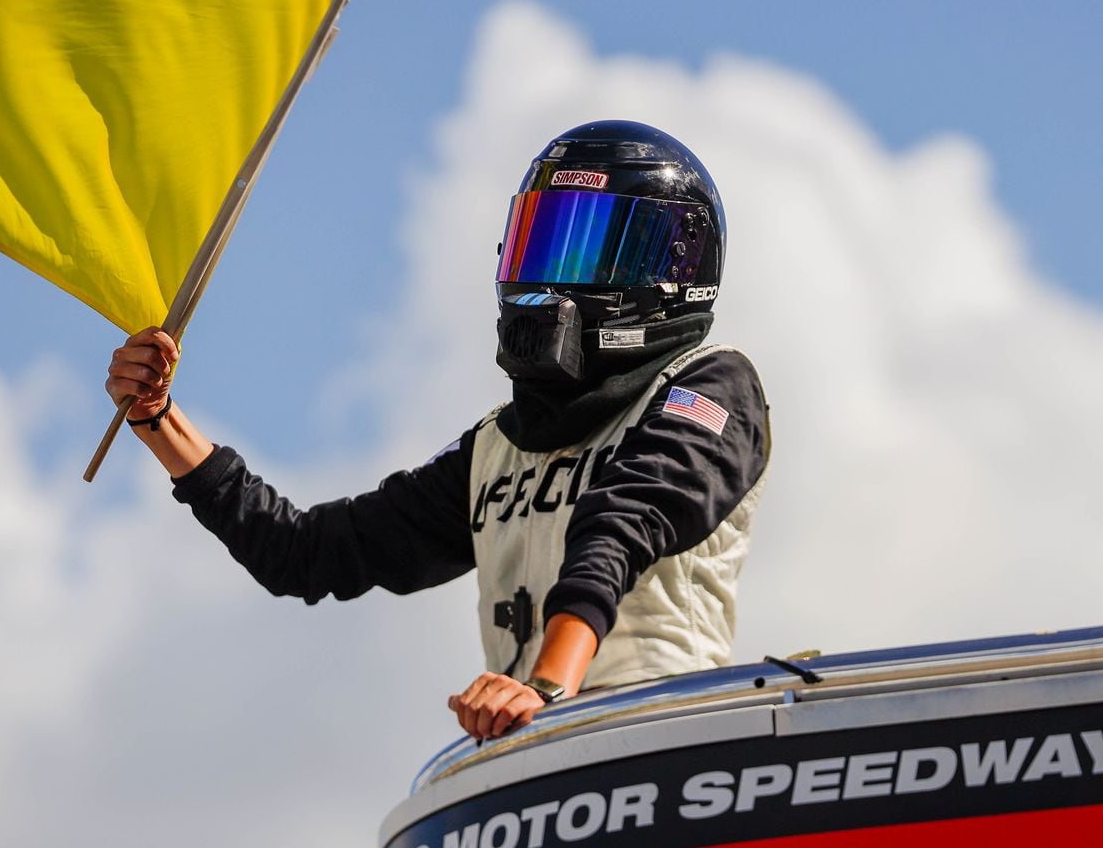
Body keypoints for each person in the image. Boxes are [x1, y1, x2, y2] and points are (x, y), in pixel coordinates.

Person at [106, 120, 770, 742]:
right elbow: (307, 552)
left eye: (589, 254)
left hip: (666, 745)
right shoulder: (495, 448)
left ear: (675, 271)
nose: (551, 278)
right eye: (544, 243)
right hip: (539, 761)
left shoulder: (713, 388)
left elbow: (622, 520)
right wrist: (157, 417)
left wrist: (546, 687)